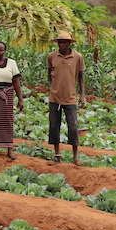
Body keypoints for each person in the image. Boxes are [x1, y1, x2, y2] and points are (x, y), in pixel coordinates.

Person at [47, 31, 86, 165]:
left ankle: (75, 157)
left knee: (73, 126)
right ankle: (57, 155)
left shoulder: (77, 57)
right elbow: (49, 74)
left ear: (70, 43)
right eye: (59, 42)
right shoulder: (52, 56)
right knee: (54, 125)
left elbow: (81, 77)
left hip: (70, 98)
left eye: (64, 42)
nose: (61, 45)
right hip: (54, 97)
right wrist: (54, 87)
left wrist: (82, 95)